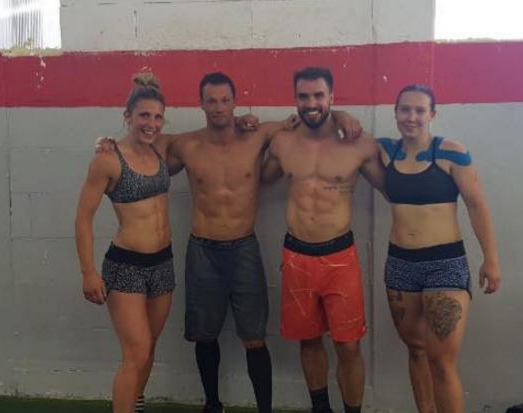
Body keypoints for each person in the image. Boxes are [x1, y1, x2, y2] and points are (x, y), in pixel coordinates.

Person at [96, 71, 362, 413]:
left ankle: (264, 409)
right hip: (202, 248)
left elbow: (305, 118)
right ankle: (212, 405)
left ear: (236, 102)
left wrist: (341, 115)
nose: (219, 107)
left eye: (225, 100)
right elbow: (142, 141)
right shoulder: (186, 144)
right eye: (212, 101)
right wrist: (110, 142)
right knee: (205, 335)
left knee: (254, 336)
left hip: (243, 247)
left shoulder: (259, 134)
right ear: (201, 104)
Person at [261, 67, 385, 413]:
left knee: (348, 346)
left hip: (339, 258)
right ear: (295, 99)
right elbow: (255, 178)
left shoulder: (359, 144)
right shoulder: (283, 143)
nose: (311, 103)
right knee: (309, 340)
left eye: (319, 95)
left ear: (332, 96)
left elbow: (395, 189)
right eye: (304, 96)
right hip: (297, 255)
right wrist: (246, 128)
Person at [378, 84, 501, 413]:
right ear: (395, 112)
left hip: (444, 264)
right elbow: (345, 137)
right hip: (400, 264)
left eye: (420, 110)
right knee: (416, 350)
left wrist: (491, 258)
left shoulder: (451, 152)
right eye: (405, 109)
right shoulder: (384, 151)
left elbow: (476, 204)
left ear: (432, 114)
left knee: (442, 362)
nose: (412, 117)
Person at [75, 72, 175, 413]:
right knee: (137, 352)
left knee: (149, 348)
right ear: (128, 116)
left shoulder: (161, 147)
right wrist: (88, 272)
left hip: (163, 265)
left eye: (158, 116)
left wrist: (248, 121)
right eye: (144, 115)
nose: (151, 123)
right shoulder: (108, 159)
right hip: (126, 266)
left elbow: (204, 137)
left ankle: (136, 403)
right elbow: (83, 219)